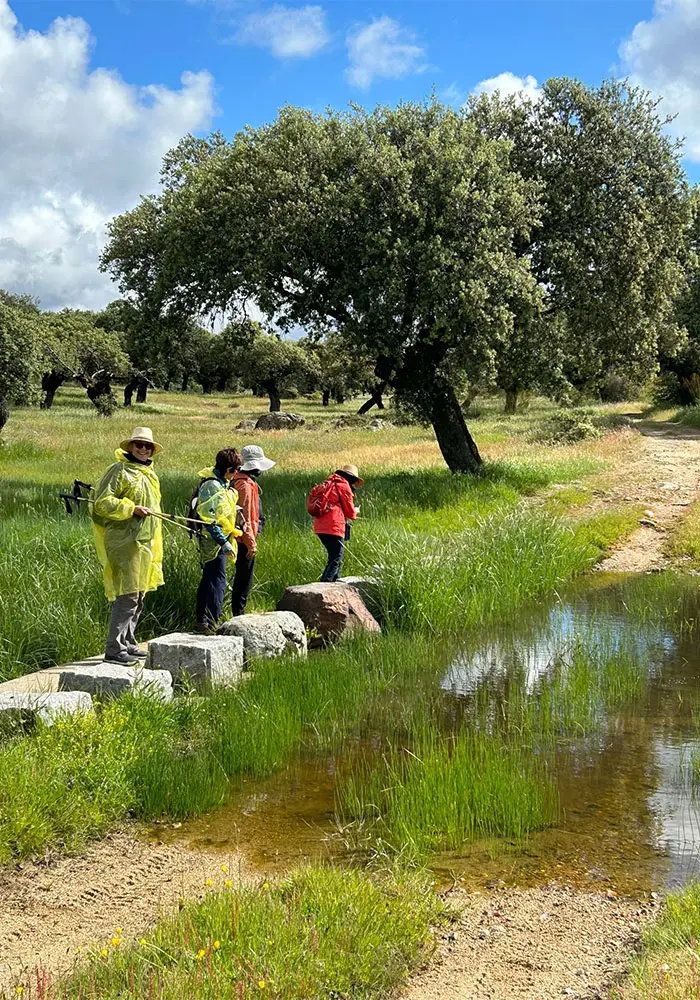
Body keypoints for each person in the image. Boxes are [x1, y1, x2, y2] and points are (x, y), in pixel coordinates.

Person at [91, 427, 163, 665]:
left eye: (147, 446)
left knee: (140, 594)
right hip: (123, 541)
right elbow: (102, 503)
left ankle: (129, 642)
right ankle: (114, 648)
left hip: (144, 541)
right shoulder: (118, 470)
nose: (143, 449)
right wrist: (131, 509)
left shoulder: (149, 474)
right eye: (138, 444)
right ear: (130, 447)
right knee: (128, 594)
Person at [193, 447, 244, 632]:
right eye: (235, 469)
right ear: (227, 469)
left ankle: (203, 621)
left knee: (210, 579)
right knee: (217, 580)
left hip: (222, 538)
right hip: (212, 542)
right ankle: (214, 621)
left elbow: (223, 508)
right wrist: (224, 542)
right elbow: (209, 519)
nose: (236, 473)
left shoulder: (222, 483)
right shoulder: (211, 485)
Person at [231, 444, 275, 616]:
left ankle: (237, 612)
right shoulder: (245, 485)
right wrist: (251, 544)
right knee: (244, 579)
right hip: (243, 539)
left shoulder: (238, 480)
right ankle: (239, 613)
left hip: (239, 537)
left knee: (242, 577)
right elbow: (245, 518)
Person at [311, 465, 363, 583]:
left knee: (334, 555)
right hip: (333, 526)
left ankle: (334, 582)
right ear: (352, 479)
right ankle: (325, 585)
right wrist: (355, 511)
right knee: (336, 557)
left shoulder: (328, 483)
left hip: (320, 526)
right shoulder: (344, 486)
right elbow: (350, 512)